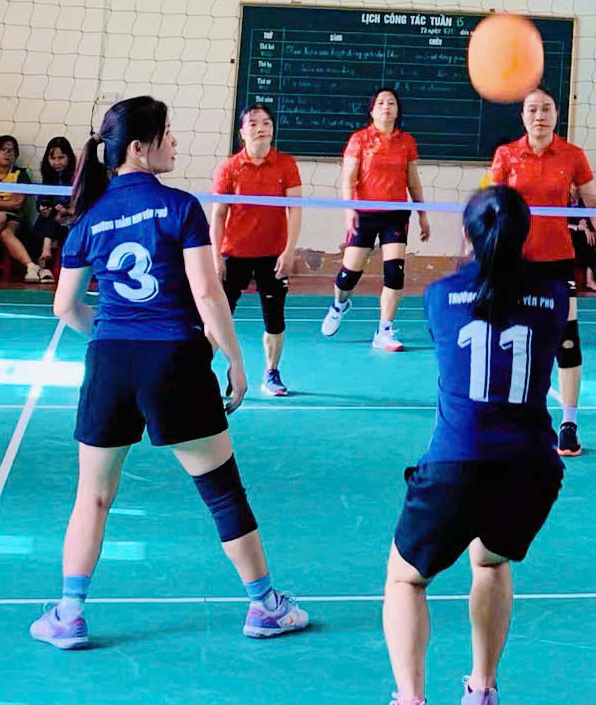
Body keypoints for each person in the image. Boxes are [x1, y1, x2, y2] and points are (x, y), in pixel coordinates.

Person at [32, 95, 308, 653]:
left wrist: (112, 335)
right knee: (222, 493)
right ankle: (264, 607)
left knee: (93, 497)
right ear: (140, 148)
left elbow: (65, 307)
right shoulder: (180, 207)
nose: (175, 142)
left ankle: (69, 615)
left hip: (110, 362)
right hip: (175, 360)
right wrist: (235, 360)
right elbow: (206, 293)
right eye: (167, 134)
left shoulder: (89, 218)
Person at [378, 187, 571, 705]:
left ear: (467, 235)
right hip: (532, 469)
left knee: (405, 579)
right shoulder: (555, 296)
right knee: (489, 562)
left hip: (457, 464)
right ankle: (482, 694)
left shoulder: (439, 296)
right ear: (526, 235)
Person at [487, 90, 596, 458]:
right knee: (514, 339)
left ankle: (568, 424)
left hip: (558, 260)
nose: (540, 116)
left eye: (546, 109)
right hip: (515, 261)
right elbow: (493, 204)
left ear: (557, 114)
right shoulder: (506, 154)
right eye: (533, 109)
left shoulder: (572, 154)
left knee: (567, 340)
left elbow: (591, 200)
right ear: (523, 116)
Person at [210, 104, 307, 398]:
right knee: (217, 315)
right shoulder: (229, 167)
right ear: (242, 132)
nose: (261, 128)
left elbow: (295, 210)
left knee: (274, 318)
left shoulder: (286, 164)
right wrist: (216, 257)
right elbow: (218, 215)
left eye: (266, 122)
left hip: (272, 255)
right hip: (234, 253)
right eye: (253, 123)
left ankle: (271, 373)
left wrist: (289, 250)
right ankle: (199, 370)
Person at [329, 88, 431, 353]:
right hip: (364, 212)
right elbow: (348, 180)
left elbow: (413, 180)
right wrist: (349, 210)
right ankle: (339, 304)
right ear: (372, 110)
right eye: (381, 103)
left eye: (392, 103)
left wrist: (422, 213)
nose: (387, 106)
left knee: (394, 272)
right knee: (349, 275)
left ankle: (384, 330)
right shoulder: (360, 139)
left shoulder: (406, 141)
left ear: (397, 110)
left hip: (395, 214)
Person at [0, 135, 41, 282]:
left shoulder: (20, 174)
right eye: (3, 150)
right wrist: (5, 204)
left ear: (15, 155)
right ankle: (31, 266)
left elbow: (17, 204)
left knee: (5, 232)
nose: (7, 153)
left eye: (11, 151)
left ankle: (30, 267)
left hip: (14, 219)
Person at [34, 136, 81, 268]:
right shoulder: (49, 176)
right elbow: (42, 199)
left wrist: (68, 210)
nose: (57, 162)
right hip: (54, 219)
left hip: (72, 220)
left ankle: (45, 254)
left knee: (53, 218)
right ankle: (48, 246)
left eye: (61, 158)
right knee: (47, 217)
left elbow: (82, 202)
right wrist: (42, 208)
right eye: (53, 158)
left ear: (69, 157)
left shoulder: (77, 175)